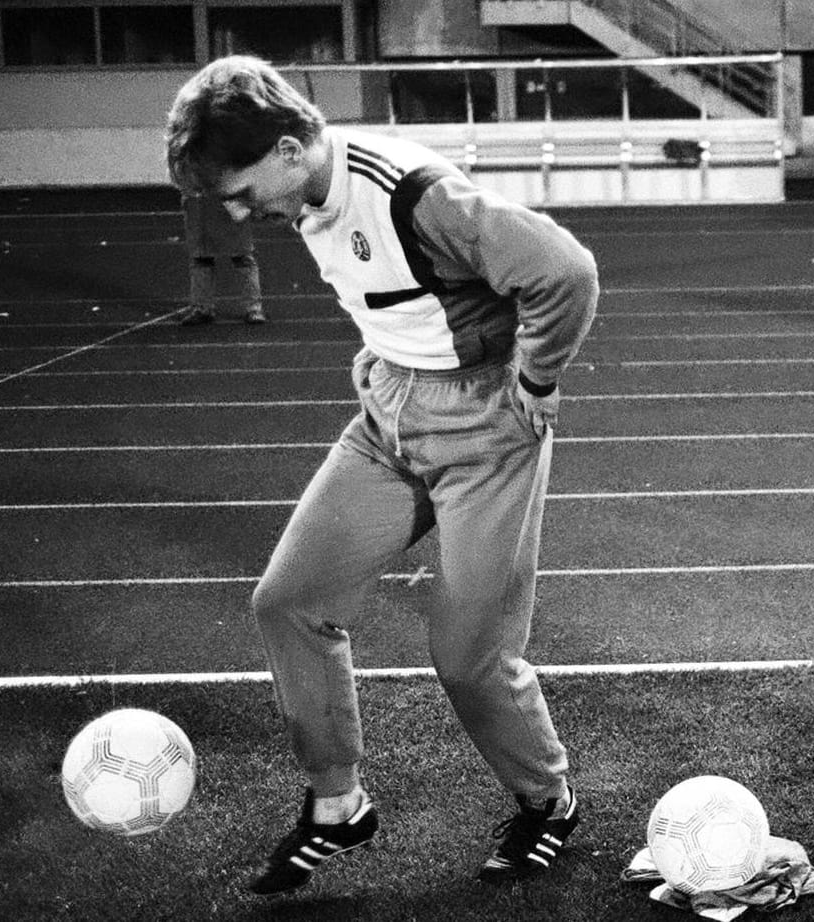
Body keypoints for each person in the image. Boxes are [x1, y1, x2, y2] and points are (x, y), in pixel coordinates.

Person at [164, 56, 598, 895]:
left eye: (244, 190)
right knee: (289, 602)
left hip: (484, 432)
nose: (239, 212)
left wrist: (536, 382)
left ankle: (548, 801)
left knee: (469, 657)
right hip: (388, 417)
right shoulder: (303, 191)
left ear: (292, 149)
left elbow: (564, 272)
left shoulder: (413, 193)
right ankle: (340, 806)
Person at [179, 190, 266, 325]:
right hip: (200, 205)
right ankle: (202, 308)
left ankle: (254, 308)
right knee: (201, 257)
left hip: (229, 199)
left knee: (242, 256)